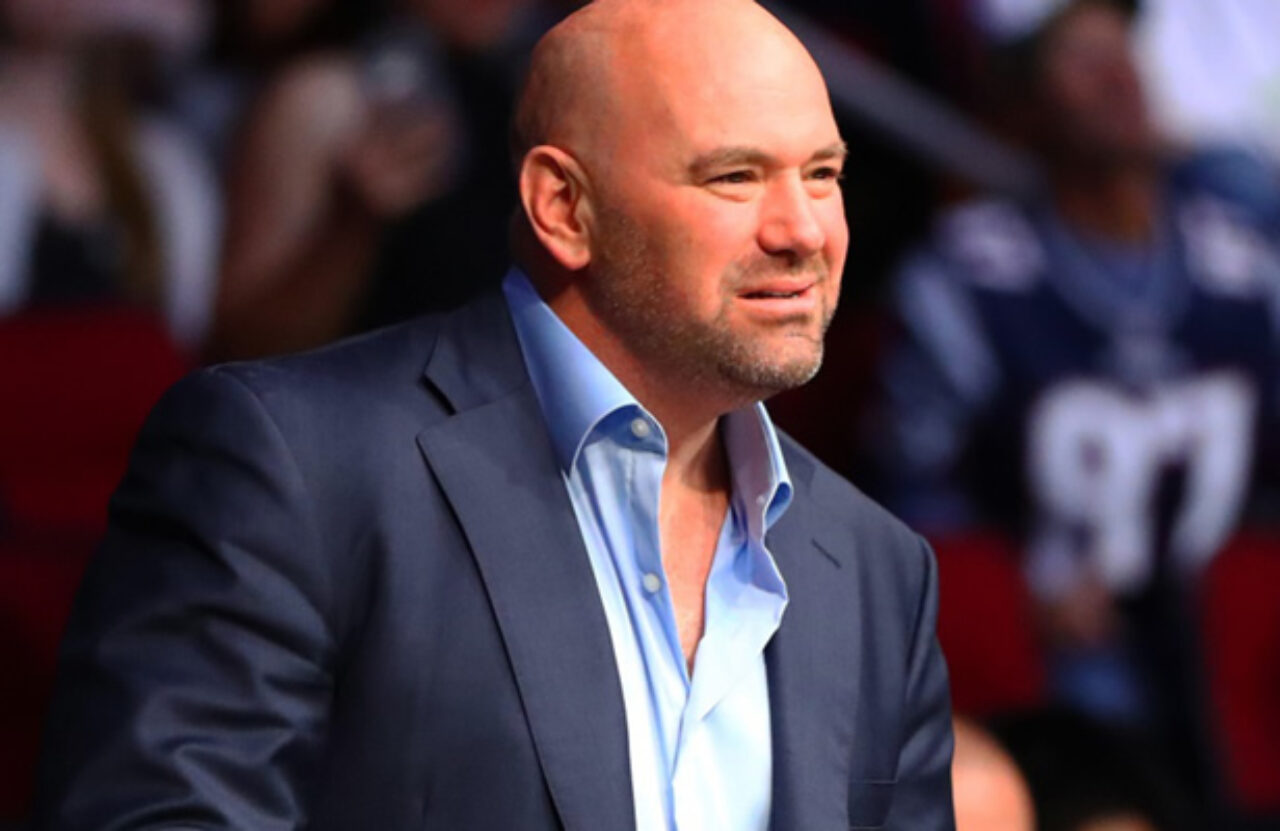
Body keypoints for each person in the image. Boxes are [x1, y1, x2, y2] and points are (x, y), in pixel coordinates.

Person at [35, 1, 955, 828]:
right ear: (564, 206)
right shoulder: (293, 464)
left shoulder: (879, 569)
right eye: (735, 177)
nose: (803, 230)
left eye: (823, 174)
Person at [878, 0, 1279, 804]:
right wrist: (1019, 596)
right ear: (1022, 102)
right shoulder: (969, 281)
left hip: (1234, 658)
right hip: (1067, 666)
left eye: (1122, 50)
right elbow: (911, 494)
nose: (1117, 78)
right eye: (1080, 60)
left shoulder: (1245, 264)